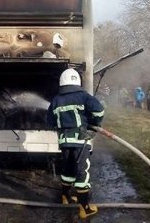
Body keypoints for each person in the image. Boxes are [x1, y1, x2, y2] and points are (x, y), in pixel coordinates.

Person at [47, 68, 104, 219]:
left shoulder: (55, 100)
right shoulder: (83, 96)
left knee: (68, 169)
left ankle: (65, 197)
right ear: (77, 81)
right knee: (81, 172)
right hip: (81, 141)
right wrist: (93, 124)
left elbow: (50, 121)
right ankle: (85, 208)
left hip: (64, 142)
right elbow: (99, 111)